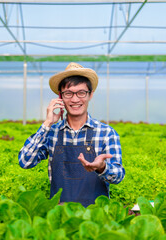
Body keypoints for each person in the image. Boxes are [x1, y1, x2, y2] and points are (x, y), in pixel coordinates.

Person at [18, 62, 125, 207]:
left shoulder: (106, 133)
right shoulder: (51, 133)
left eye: (81, 93)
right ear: (60, 97)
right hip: (60, 216)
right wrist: (47, 123)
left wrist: (102, 167)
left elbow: (118, 175)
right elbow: (25, 161)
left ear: (90, 95)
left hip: (96, 218)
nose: (75, 99)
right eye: (68, 93)